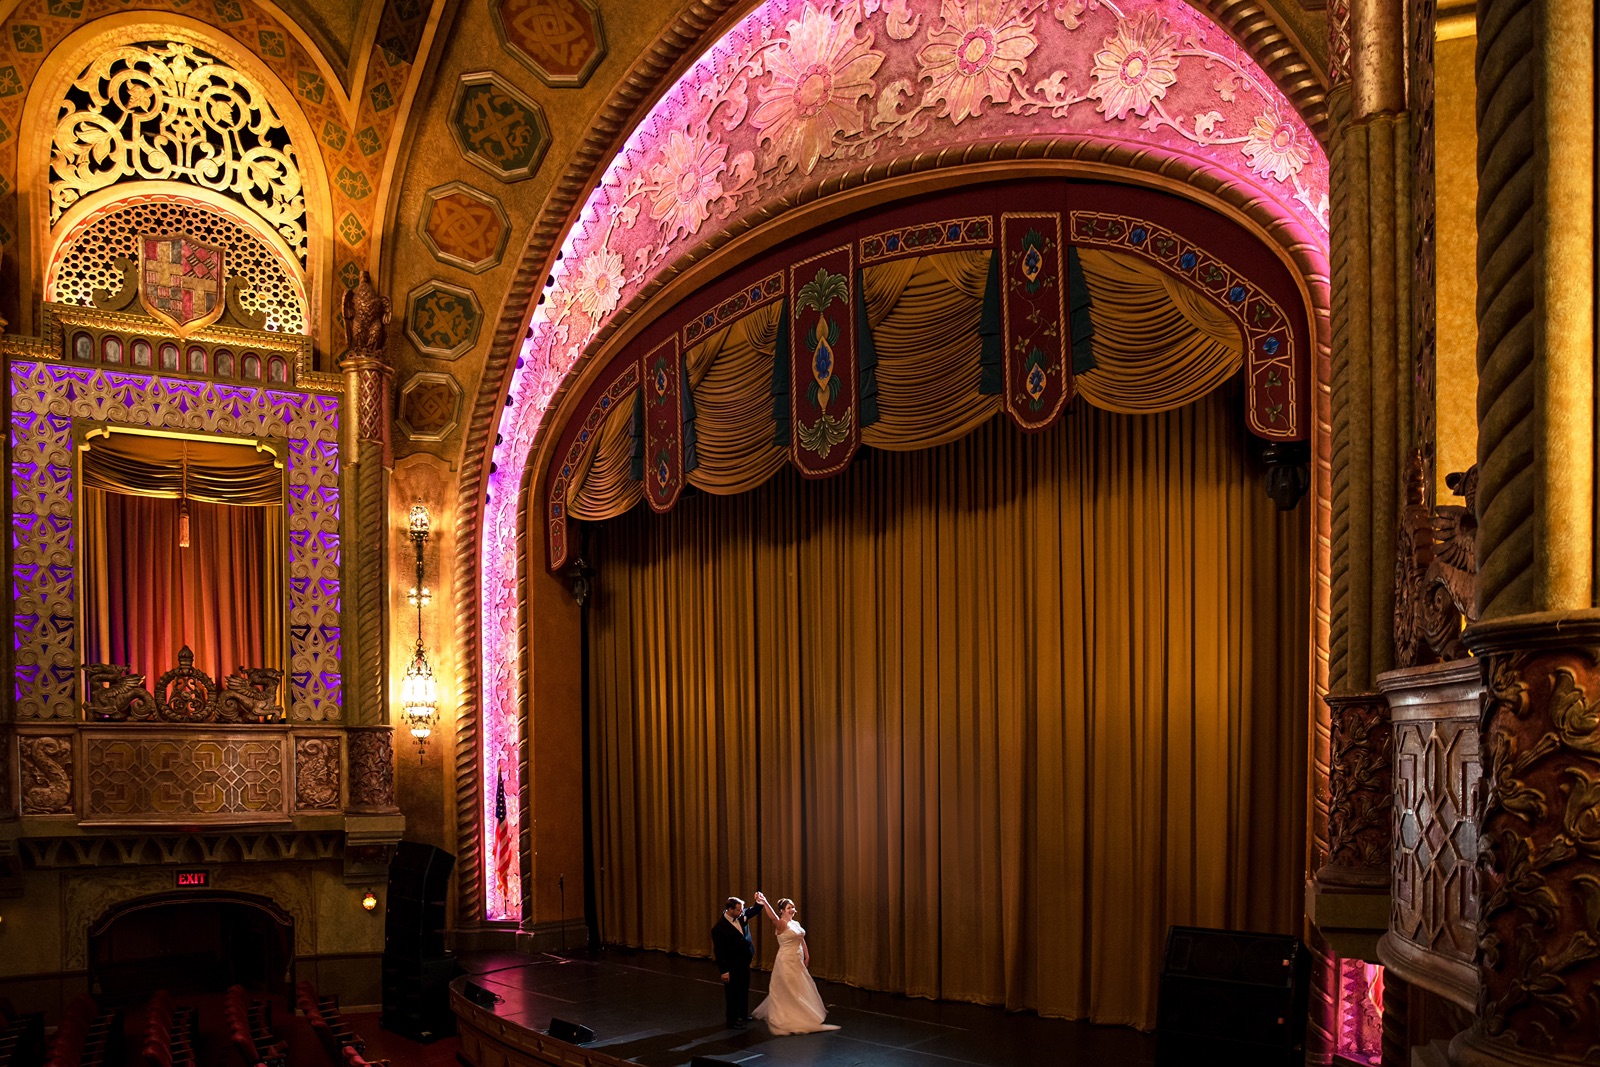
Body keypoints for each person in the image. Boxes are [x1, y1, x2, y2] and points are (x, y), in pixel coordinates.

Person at [750, 890, 840, 1035]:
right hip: (786, 960)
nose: (792, 910)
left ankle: (802, 1011)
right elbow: (772, 918)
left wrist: (807, 955)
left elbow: (801, 938)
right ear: (782, 911)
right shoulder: (782, 925)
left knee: (800, 985)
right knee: (789, 987)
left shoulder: (795, 923)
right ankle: (789, 1014)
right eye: (788, 908)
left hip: (797, 958)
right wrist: (765, 902)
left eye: (792, 907)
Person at [711, 895, 763, 1029]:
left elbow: (754, 910)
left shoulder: (741, 916)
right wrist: (724, 971)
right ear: (729, 909)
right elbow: (719, 951)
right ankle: (732, 1020)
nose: (742, 912)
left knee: (744, 989)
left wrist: (759, 901)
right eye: (739, 910)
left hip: (744, 961)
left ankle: (743, 1014)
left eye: (742, 909)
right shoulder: (719, 928)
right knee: (732, 993)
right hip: (732, 964)